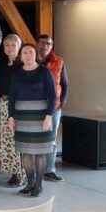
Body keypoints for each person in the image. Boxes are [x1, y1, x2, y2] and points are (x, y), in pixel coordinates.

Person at [8, 43, 56, 197]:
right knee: (25, 151)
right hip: (21, 115)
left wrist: (49, 115)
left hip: (41, 115)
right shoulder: (16, 73)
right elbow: (12, 96)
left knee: (40, 152)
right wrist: (11, 116)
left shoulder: (44, 72)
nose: (28, 55)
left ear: (36, 54)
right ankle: (30, 182)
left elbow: (53, 96)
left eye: (31, 52)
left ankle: (39, 185)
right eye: (25, 52)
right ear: (20, 56)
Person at [0, 34, 27, 186]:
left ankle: (20, 174)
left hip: (18, 106)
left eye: (13, 45)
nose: (10, 48)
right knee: (6, 139)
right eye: (7, 45)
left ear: (19, 47)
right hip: (4, 104)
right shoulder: (2, 64)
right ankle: (13, 170)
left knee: (17, 140)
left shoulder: (23, 65)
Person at [37, 34, 69, 183]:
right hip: (34, 106)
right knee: (33, 138)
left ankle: (49, 170)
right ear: (37, 43)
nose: (45, 46)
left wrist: (61, 103)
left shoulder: (59, 61)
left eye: (48, 43)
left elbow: (65, 84)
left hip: (54, 107)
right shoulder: (31, 59)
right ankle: (31, 169)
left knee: (51, 138)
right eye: (43, 42)